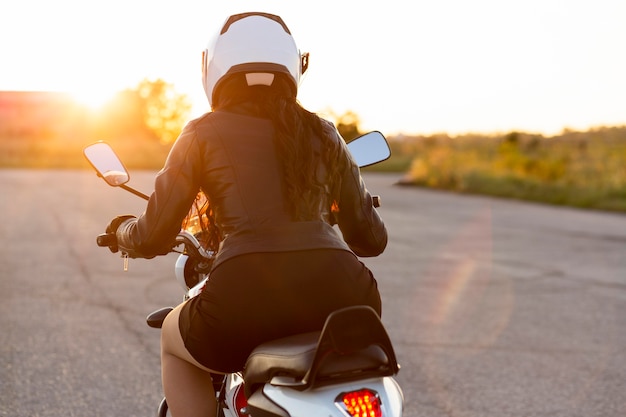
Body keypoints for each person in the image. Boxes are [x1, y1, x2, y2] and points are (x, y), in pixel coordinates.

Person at [103, 12, 387, 417]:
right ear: (294, 66)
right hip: (347, 295)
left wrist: (124, 231)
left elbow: (153, 234)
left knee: (172, 339)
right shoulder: (325, 132)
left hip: (243, 296)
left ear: (213, 68)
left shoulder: (201, 132)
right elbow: (370, 242)